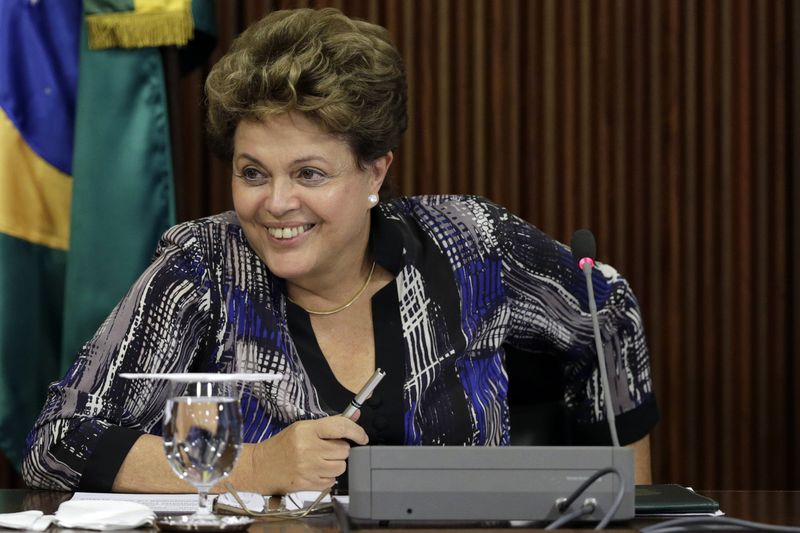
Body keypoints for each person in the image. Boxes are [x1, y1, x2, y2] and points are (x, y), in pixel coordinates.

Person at [22, 8, 658, 494]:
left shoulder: (471, 247)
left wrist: (623, 507)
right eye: (252, 173)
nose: (275, 203)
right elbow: (54, 444)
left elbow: (606, 308)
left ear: (375, 173)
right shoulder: (203, 269)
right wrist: (255, 465)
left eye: (309, 174)